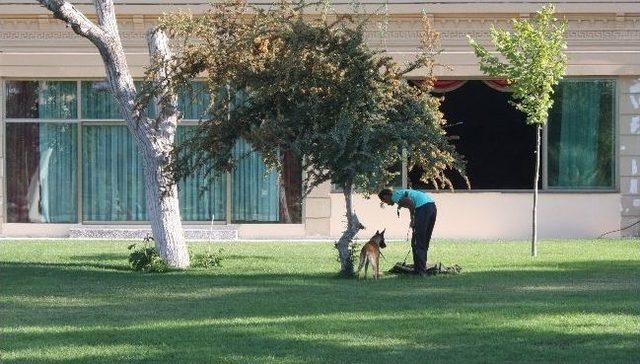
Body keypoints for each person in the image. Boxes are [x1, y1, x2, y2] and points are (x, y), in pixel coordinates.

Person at [378, 188, 437, 276]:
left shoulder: (394, 196)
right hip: (432, 206)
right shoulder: (399, 193)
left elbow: (410, 203)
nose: (387, 204)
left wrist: (412, 219)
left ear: (386, 196)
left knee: (417, 242)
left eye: (384, 201)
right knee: (423, 241)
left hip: (423, 208)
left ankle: (420, 272)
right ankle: (419, 269)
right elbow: (410, 202)